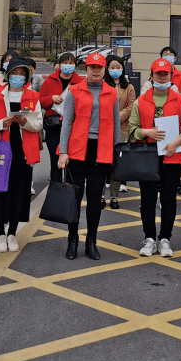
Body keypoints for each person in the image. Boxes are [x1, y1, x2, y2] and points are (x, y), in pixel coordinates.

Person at [58, 52, 122, 260]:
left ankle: (91, 241)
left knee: (95, 200)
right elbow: (67, 123)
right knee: (74, 199)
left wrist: (116, 151)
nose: (96, 70)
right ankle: (72, 240)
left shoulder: (111, 93)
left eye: (99, 67)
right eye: (92, 67)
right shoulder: (74, 91)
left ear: (105, 70)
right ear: (85, 70)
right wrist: (63, 151)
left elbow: (115, 124)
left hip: (101, 151)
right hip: (77, 151)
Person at [130, 58, 181, 258]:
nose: (162, 77)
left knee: (169, 200)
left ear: (171, 76)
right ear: (151, 75)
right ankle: (149, 238)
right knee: (147, 200)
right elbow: (131, 130)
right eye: (159, 73)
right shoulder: (141, 100)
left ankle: (165, 238)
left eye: (166, 74)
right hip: (148, 157)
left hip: (172, 156)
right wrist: (146, 132)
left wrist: (176, 142)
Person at [0, 57, 43, 252]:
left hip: (23, 152)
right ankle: (0, 233)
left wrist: (24, 122)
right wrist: (3, 123)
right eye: (14, 73)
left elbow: (38, 124)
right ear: (8, 75)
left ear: (27, 76)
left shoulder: (33, 97)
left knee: (19, 193)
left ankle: (13, 233)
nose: (18, 77)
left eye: (22, 74)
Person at [39, 52, 83, 184]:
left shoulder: (80, 82)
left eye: (71, 63)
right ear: (60, 64)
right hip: (53, 126)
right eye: (65, 63)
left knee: (72, 161)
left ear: (75, 65)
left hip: (72, 127)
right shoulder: (49, 80)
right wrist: (51, 99)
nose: (68, 66)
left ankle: (70, 192)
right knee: (55, 160)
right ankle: (56, 188)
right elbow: (40, 101)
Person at [105, 54, 136, 208]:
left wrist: (117, 117)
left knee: (117, 164)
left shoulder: (129, 87)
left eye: (118, 67)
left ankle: (114, 197)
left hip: (121, 129)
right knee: (102, 163)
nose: (115, 70)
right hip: (103, 130)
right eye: (112, 67)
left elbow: (131, 107)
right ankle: (101, 195)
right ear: (107, 68)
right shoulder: (103, 85)